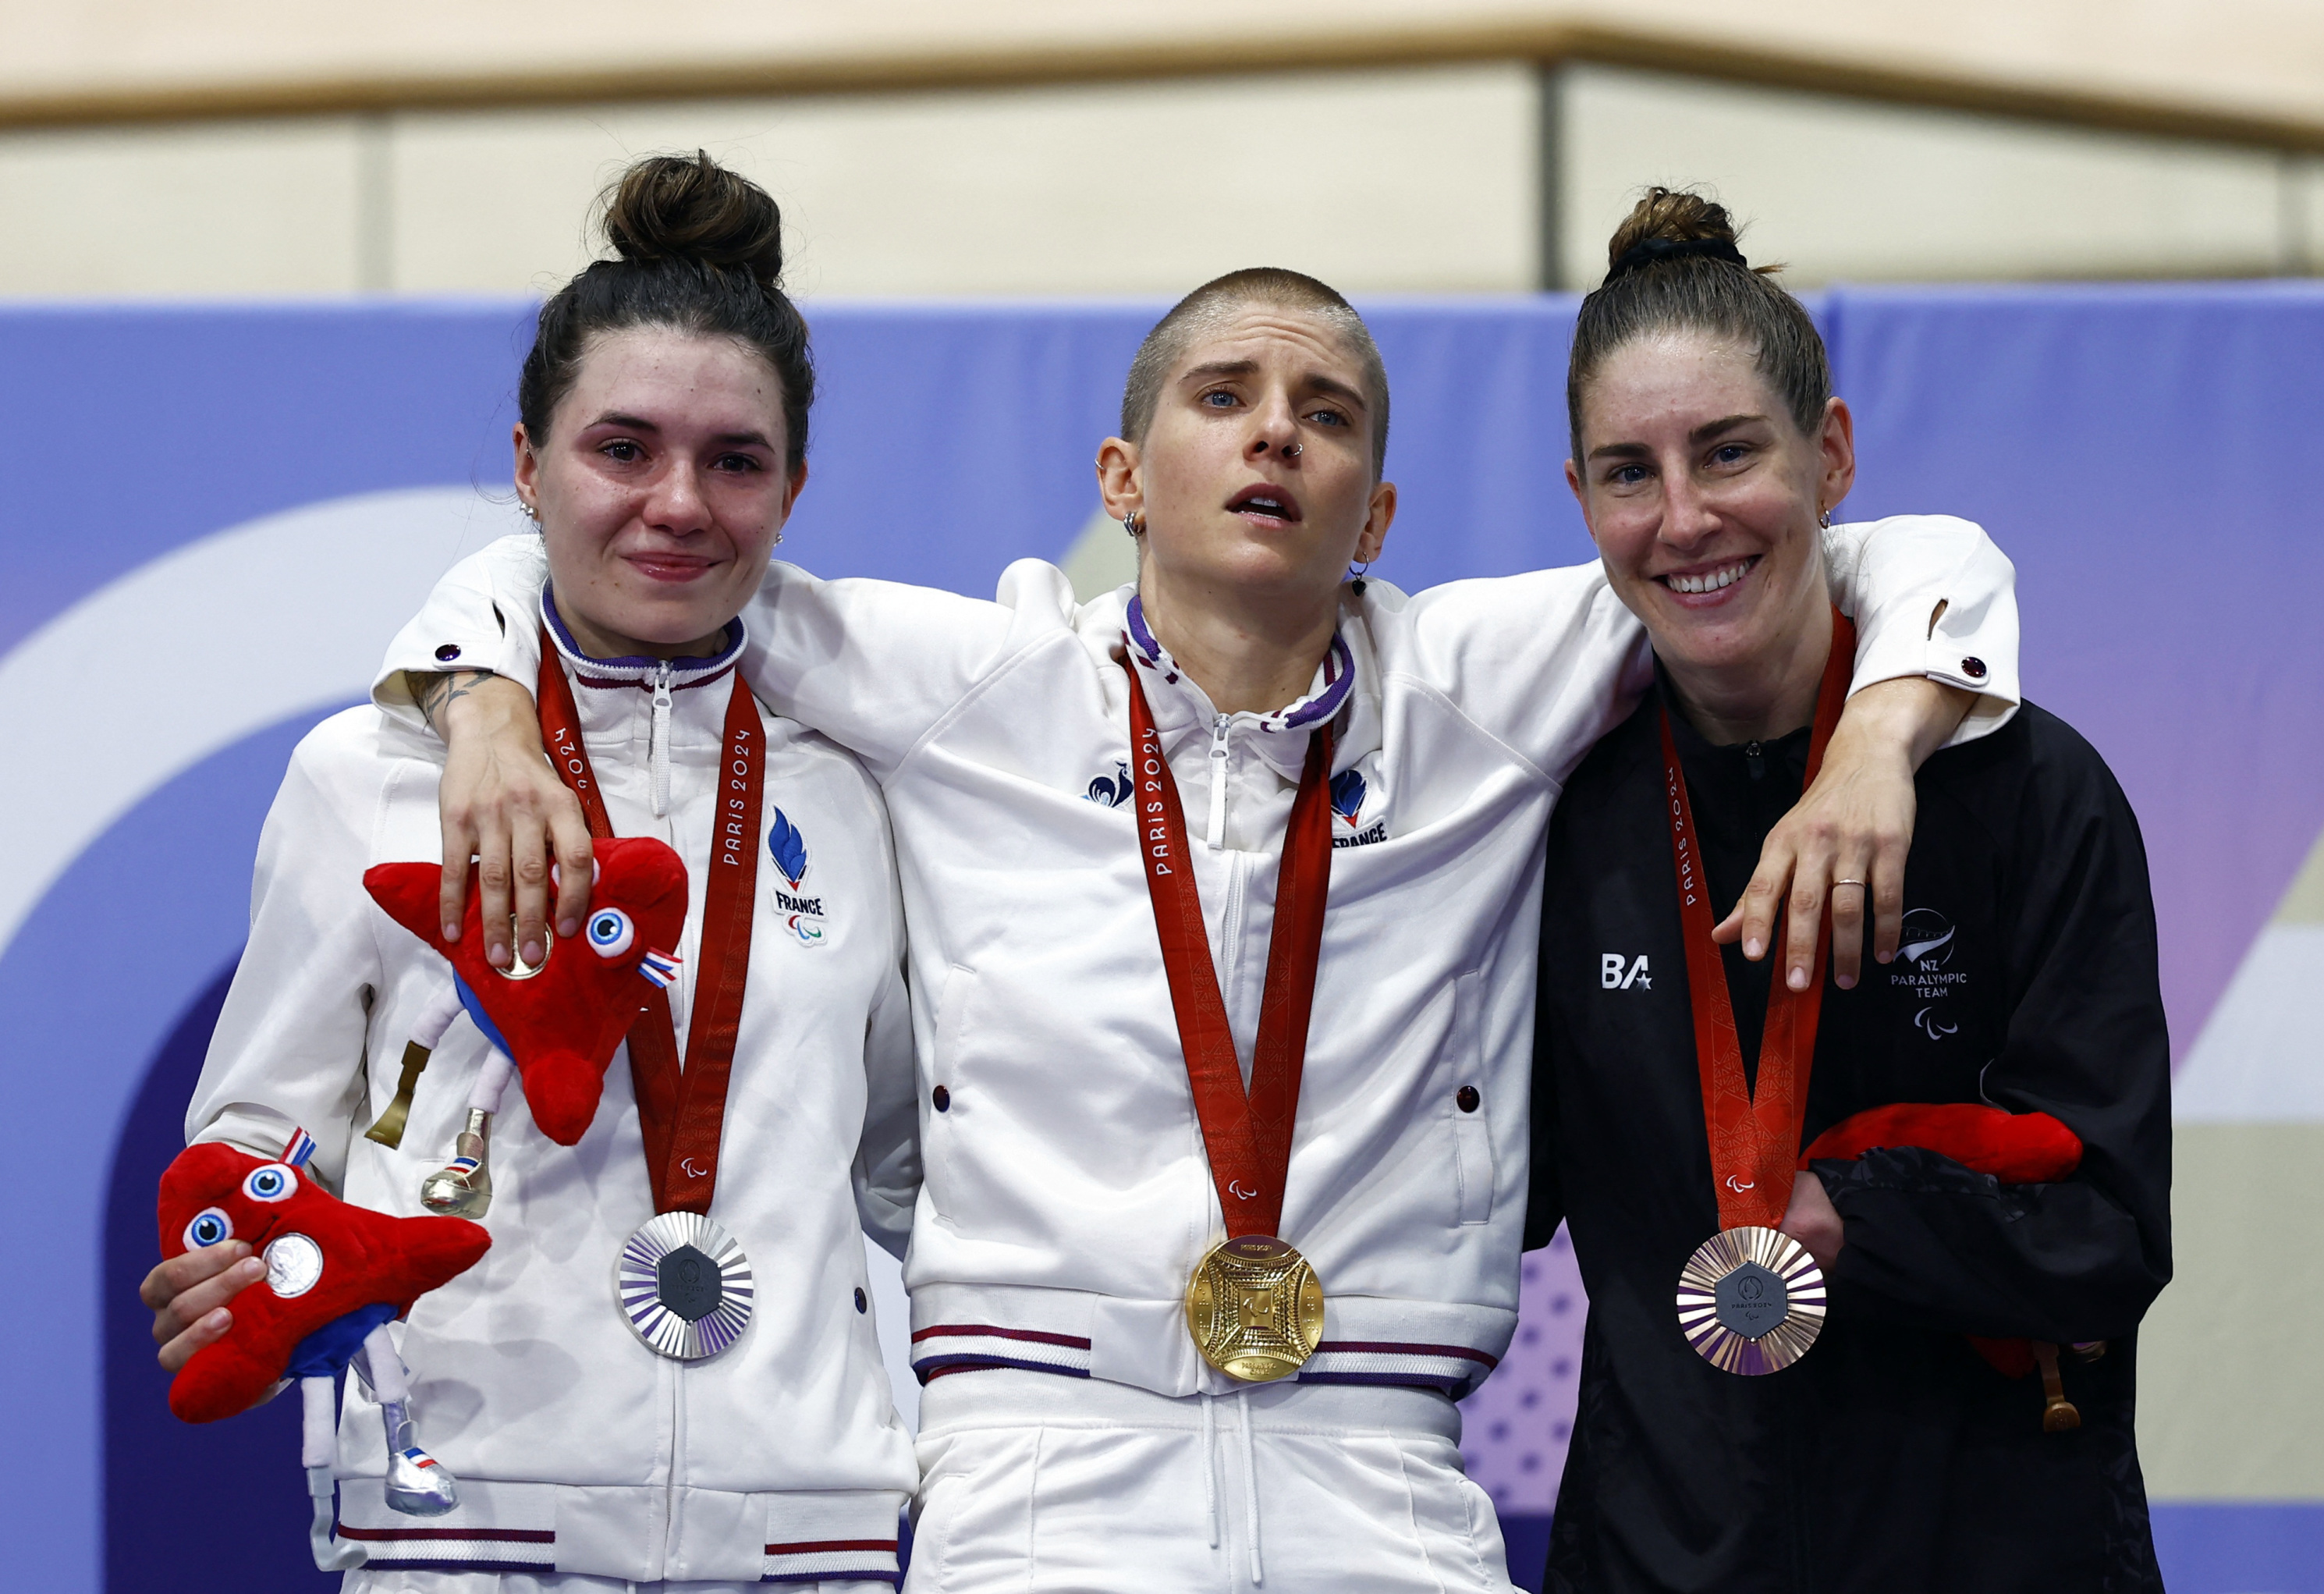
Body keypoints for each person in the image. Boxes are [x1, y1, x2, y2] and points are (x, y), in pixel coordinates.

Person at [360, 262, 2023, 1590]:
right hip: (1039, 1484)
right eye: (1224, 398)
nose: (1274, 435)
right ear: (1124, 479)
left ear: (1376, 513)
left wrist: (1878, 744)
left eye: (1326, 413)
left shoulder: (1484, 687)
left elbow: (1887, 548)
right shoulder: (982, 687)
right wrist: (488, 700)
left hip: (1382, 1481)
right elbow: (657, 563)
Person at [138, 153, 921, 1591]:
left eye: (733, 460)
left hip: (809, 1529)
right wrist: (235, 1261)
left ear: (793, 488)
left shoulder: (868, 787)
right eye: (621, 448)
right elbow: (255, 1132)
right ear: (525, 465)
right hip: (464, 1526)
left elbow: (911, 1167)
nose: (677, 502)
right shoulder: (366, 779)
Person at [1524, 189, 2170, 1593]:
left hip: (1995, 1547)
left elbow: (2111, 1234)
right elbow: (1496, 1182)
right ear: (1581, 503)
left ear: (1831, 457)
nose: (1685, 518)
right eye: (1629, 471)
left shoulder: (2028, 791)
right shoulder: (1562, 815)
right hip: (1661, 1555)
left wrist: (1846, 1212)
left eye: (1731, 452)